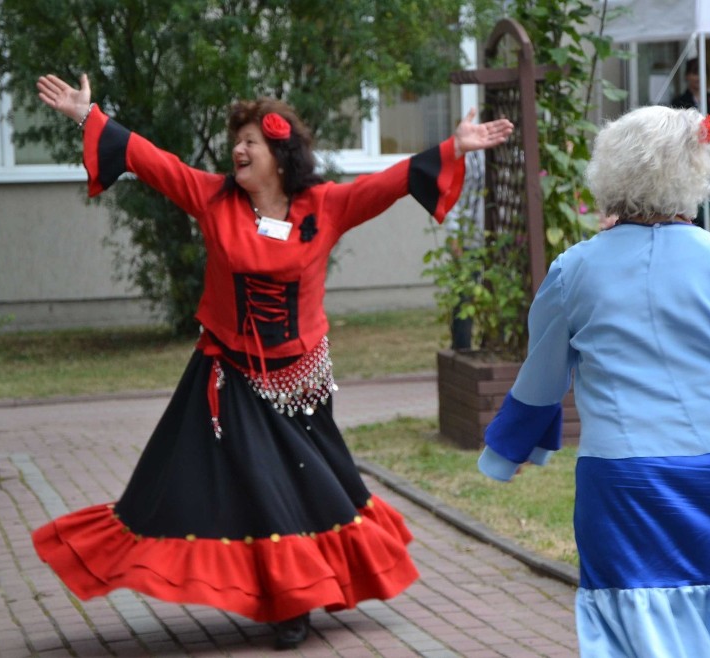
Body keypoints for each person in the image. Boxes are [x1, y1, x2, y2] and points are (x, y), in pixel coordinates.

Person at [32, 73, 513, 651]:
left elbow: (388, 183)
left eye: (251, 141)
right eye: (236, 138)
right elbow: (152, 161)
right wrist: (89, 117)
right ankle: (288, 603)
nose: (238, 148)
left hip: (301, 379)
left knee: (312, 488)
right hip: (228, 374)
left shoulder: (325, 205)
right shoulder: (213, 198)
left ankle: (302, 588)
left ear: (280, 155)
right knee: (254, 487)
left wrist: (452, 148)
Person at [477, 105, 710, 657]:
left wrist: (507, 450)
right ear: (697, 172)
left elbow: (540, 380)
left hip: (620, 483)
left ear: (611, 173)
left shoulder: (574, 270)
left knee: (629, 625)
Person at [442, 148, 485, 350]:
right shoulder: (471, 157)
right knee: (464, 300)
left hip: (503, 241)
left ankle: (493, 344)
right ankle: (462, 348)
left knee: (498, 302)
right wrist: (454, 236)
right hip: (470, 238)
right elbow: (453, 195)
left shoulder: (518, 154)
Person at [671, 58, 710, 161]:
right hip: (688, 157)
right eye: (695, 74)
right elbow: (676, 133)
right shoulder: (678, 101)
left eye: (702, 74)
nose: (698, 78)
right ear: (687, 76)